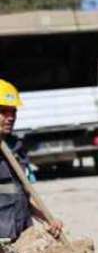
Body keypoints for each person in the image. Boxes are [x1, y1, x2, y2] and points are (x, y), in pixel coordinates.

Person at [0, 79, 63, 241]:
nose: (10, 117)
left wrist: (46, 219)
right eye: (3, 111)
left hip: (22, 237)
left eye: (13, 112)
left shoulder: (14, 147)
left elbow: (16, 195)